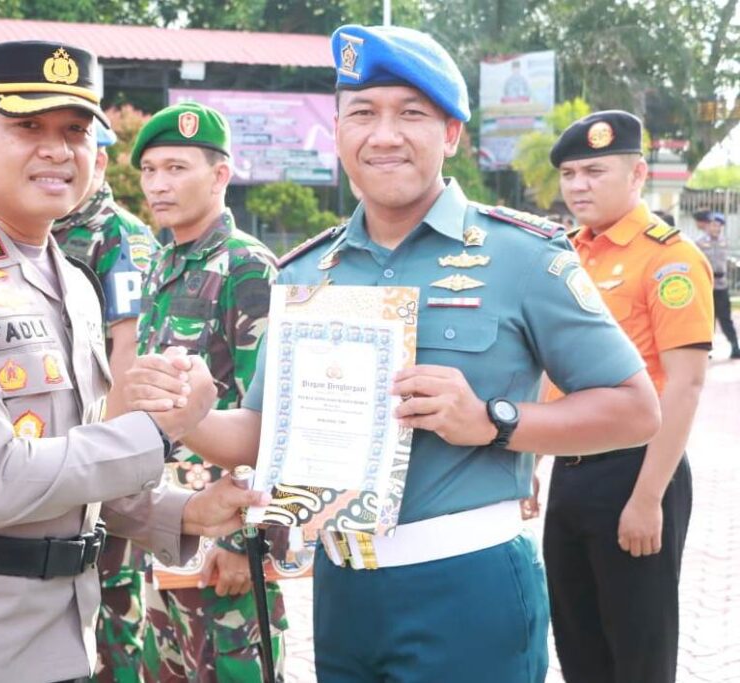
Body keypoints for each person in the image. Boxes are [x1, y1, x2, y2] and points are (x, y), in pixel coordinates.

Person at [124, 25, 663, 683]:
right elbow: (264, 434)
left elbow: (637, 409)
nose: (383, 134)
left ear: (452, 134)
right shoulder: (304, 272)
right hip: (344, 588)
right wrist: (192, 419)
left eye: (410, 113)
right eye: (362, 114)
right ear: (340, 132)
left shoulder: (522, 256)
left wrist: (496, 420)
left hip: (469, 585)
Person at [0, 40, 264, 683]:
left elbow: (75, 457)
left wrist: (180, 512)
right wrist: (163, 432)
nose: (56, 148)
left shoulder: (69, 278)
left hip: (65, 638)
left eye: (74, 130)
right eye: (27, 126)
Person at [543, 110, 714, 683]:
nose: (578, 186)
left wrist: (647, 499)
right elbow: (553, 368)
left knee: (639, 648)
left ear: (638, 174)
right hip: (571, 472)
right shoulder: (565, 254)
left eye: (594, 171)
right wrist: (528, 465)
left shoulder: (668, 257)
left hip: (638, 471)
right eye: (569, 174)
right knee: (578, 642)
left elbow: (686, 385)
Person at [130, 102, 286, 683]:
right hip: (170, 525)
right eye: (149, 170)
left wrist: (252, 542)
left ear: (220, 175)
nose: (158, 184)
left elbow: (269, 416)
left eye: (176, 168)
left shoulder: (248, 267)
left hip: (226, 539)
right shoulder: (161, 262)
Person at [52, 125, 158, 683]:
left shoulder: (119, 235)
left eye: (79, 146)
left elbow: (129, 351)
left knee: (113, 620)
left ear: (102, 160)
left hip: (99, 463)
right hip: (48, 460)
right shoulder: (41, 228)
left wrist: (107, 463)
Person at [694, 210, 739, 358]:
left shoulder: (723, 241)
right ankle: (706, 350)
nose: (716, 228)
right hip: (706, 285)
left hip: (721, 285)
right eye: (713, 225)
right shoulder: (699, 243)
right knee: (707, 319)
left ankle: (734, 346)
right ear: (707, 226)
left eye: (719, 225)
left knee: (725, 317)